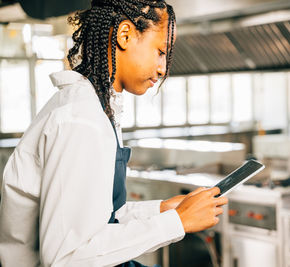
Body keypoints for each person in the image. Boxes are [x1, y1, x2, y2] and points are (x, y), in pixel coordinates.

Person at [0, 0, 228, 266]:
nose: (163, 68)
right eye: (160, 51)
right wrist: (177, 222)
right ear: (125, 35)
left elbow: (100, 219)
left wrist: (162, 209)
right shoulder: (81, 120)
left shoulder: (95, 106)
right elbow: (66, 256)